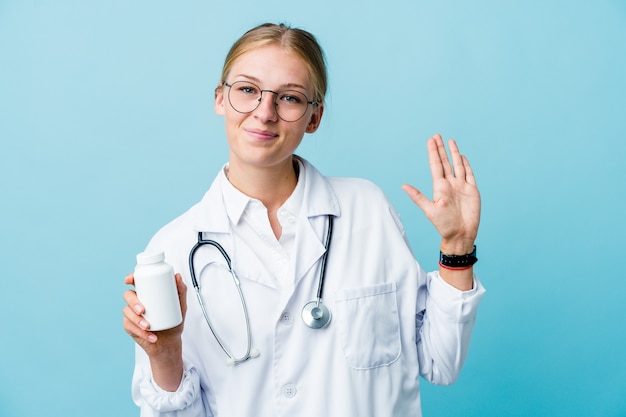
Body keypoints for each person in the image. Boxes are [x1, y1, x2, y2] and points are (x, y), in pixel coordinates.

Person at [122, 22, 485, 417]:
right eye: (247, 90)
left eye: (290, 98)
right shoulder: (174, 248)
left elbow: (440, 363)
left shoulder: (368, 210)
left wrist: (457, 248)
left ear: (314, 117)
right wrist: (166, 353)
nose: (264, 113)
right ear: (220, 100)